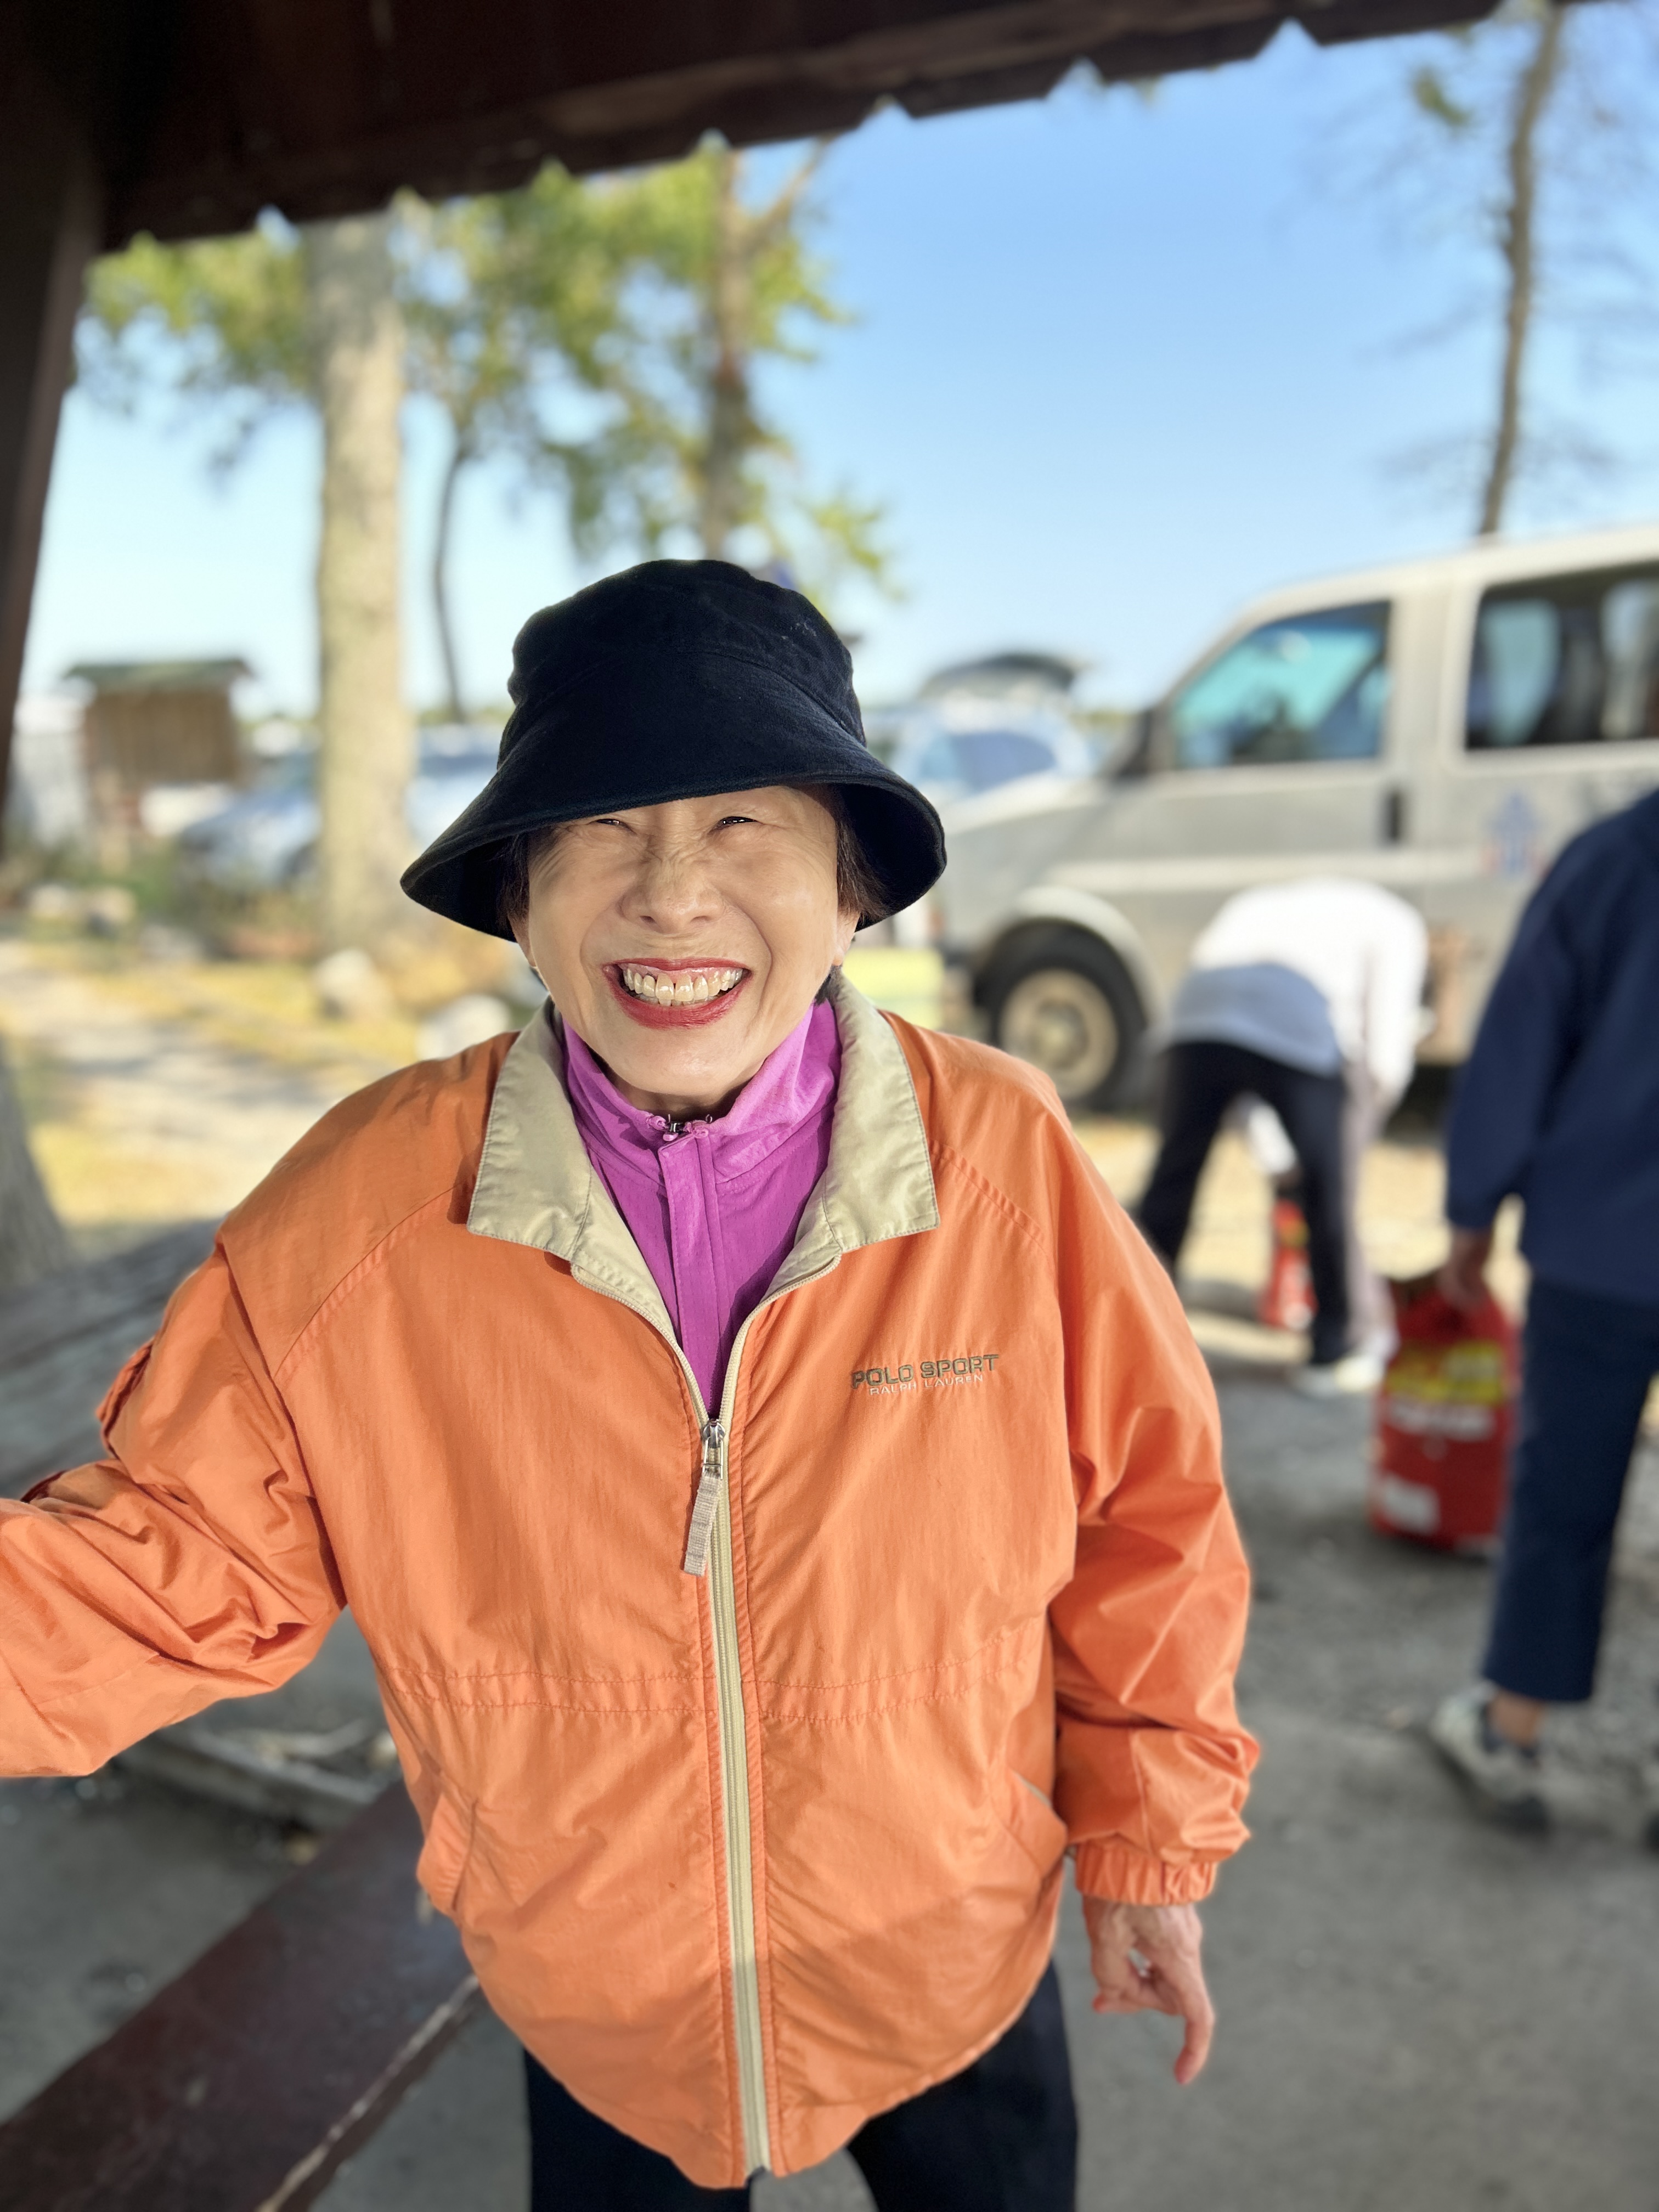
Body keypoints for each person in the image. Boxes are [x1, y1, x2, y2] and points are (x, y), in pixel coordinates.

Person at [0, 563, 1256, 2209]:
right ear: (520, 897)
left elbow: (1149, 1519)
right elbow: (172, 1566)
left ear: (852, 889)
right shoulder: (363, 1214)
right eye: (601, 828)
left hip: (950, 1942)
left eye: (744, 825)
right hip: (598, 1990)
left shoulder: (1002, 1159)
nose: (672, 896)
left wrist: (1148, 1842)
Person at [1429, 788, 1659, 1831]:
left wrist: (1472, 1210)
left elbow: (1522, 1038)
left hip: (1600, 1244)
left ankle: (1509, 1729)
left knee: (1565, 1490)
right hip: (1597, 1239)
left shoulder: (1611, 862)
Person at [1136, 877, 1427, 1397]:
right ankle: (1336, 1346)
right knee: (1328, 1192)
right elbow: (1386, 1049)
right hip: (1294, 1022)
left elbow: (1236, 1056)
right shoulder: (1400, 924)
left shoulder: (1261, 901)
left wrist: (1273, 1152)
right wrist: (1346, 1140)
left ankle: (1132, 1332)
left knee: (1172, 1181)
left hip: (1195, 1014)